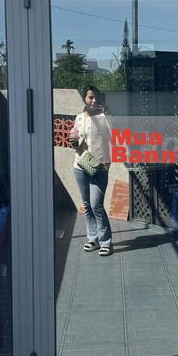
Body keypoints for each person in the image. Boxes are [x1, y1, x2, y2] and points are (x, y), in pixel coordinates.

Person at [70, 86, 113, 256]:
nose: (94, 100)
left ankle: (106, 242)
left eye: (96, 97)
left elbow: (111, 140)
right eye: (90, 97)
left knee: (97, 205)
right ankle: (92, 239)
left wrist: (108, 162)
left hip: (99, 167)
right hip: (80, 165)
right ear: (84, 99)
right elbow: (75, 144)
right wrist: (73, 139)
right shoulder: (79, 118)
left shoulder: (103, 118)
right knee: (87, 205)